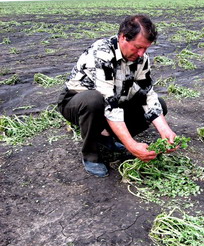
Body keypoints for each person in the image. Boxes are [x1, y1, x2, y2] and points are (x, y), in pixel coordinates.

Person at [57, 14, 177, 177]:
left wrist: (166, 131)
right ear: (122, 37)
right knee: (94, 101)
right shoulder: (103, 51)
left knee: (160, 106)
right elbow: (108, 103)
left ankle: (108, 139)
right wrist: (132, 146)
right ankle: (91, 155)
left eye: (146, 48)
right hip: (77, 102)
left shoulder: (141, 59)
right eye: (137, 47)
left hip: (115, 100)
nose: (142, 53)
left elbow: (147, 94)